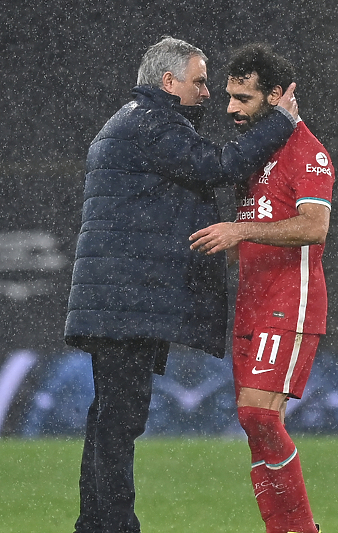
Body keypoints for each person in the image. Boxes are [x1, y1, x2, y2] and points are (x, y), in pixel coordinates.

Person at [63, 36, 299, 533]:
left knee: (109, 418)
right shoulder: (152, 124)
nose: (208, 93)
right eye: (199, 82)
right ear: (168, 83)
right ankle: (114, 526)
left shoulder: (128, 121)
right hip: (125, 300)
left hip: (114, 297)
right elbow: (217, 165)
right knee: (119, 421)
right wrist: (281, 124)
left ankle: (97, 523)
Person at [189, 43, 334, 533]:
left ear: (275, 96)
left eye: (243, 99)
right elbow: (247, 230)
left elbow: (315, 227)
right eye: (228, 96)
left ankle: (302, 529)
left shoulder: (308, 152)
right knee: (254, 427)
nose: (230, 108)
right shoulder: (254, 155)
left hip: (288, 305)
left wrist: (239, 230)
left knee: (259, 417)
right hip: (250, 306)